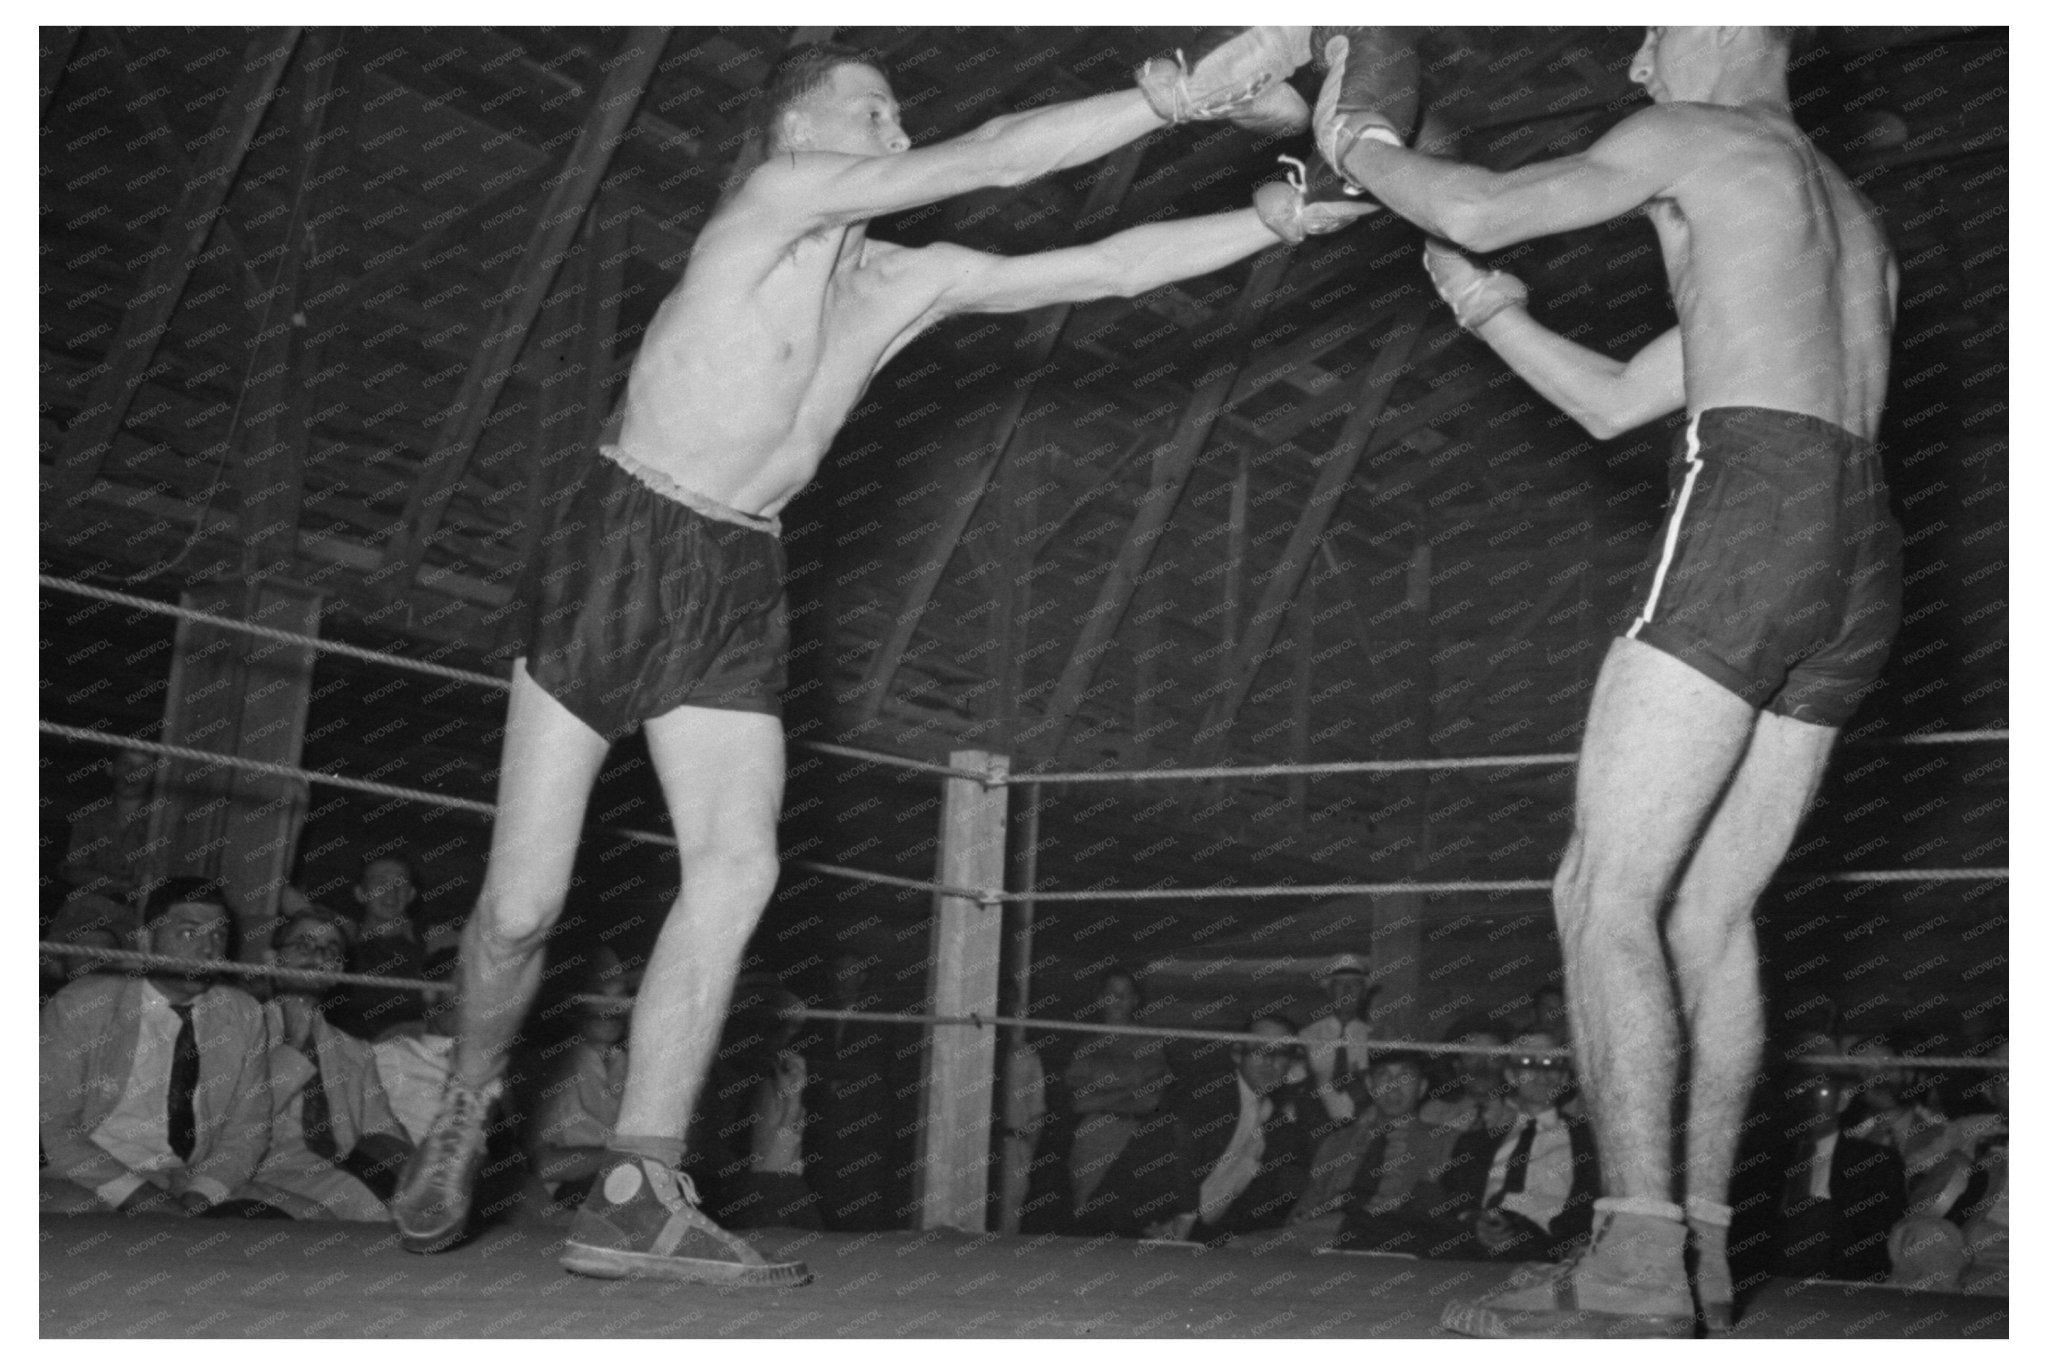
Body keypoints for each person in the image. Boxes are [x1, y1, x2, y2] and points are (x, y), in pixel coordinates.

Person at [388, 32, 1365, 1287]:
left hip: (739, 576)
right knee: (520, 913)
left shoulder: (906, 280)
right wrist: (1172, 93)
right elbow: (998, 152)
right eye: (871, 111)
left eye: (900, 115)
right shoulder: (772, 204)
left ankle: (636, 1185)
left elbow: (1110, 267)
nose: (895, 134)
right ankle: (470, 1093)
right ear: (800, 134)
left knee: (737, 871)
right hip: (620, 542)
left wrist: (1273, 221)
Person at [1315, 26, 1902, 1336]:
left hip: (1756, 506)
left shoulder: (1697, 136)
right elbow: (1619, 399)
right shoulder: (1841, 211)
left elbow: (1474, 203)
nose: (1636, 66)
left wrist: (1354, 138)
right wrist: (1491, 314)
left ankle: (1630, 1259)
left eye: (1647, 33)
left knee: (1602, 890)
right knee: (1708, 911)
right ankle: (1689, 1250)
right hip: (1861, 547)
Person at [40, 878, 278, 1218]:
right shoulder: (83, 1003)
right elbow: (49, 1127)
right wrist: (143, 1199)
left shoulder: (243, 1013)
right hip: (90, 1178)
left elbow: (248, 1132)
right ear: (147, 940)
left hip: (189, 1182)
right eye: (189, 933)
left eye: (218, 935)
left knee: (306, 1222)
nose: (208, 950)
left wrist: (200, 1196)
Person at [1076, 1014, 1317, 1244]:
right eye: (1259, 1049)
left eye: (1282, 1052)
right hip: (1123, 1229)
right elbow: (1180, 1146)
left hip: (1191, 1242)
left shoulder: (1274, 1120)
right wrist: (1185, 1216)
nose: (1270, 1060)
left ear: (1292, 1061)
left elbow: (1270, 1188)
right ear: (1237, 1054)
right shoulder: (1208, 1090)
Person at [240, 910, 415, 1220]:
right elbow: (241, 1121)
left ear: (340, 970)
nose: (318, 955)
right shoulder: (241, 1028)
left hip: (335, 1172)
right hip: (255, 1172)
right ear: (272, 959)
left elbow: (385, 1135)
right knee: (360, 1203)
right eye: (303, 946)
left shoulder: (355, 1051)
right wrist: (294, 1044)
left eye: (331, 949)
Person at [1063, 967, 1170, 1218]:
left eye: (1125, 993)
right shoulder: (1085, 1045)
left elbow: (1151, 1100)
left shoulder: (1149, 1042)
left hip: (1136, 1136)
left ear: (1135, 999)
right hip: (1093, 1136)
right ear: (1100, 998)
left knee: (1131, 1217)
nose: (1118, 1000)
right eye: (1111, 993)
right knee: (1089, 1215)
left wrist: (1105, 1096)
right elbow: (1080, 1103)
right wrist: (1132, 1088)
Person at [328, 854, 429, 1041]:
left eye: (401, 883)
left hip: (407, 1055)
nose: (391, 891)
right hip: (346, 1051)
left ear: (411, 894)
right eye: (379, 882)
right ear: (360, 893)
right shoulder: (341, 935)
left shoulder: (429, 940)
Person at [1299, 953, 1372, 1128]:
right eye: (1340, 984)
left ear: (1363, 993)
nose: (1347, 990)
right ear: (1329, 991)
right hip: (1317, 1127)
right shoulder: (1307, 1036)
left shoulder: (1375, 1036)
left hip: (1365, 1125)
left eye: (1354, 984)